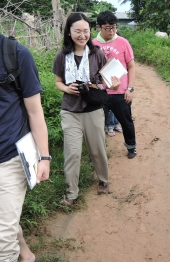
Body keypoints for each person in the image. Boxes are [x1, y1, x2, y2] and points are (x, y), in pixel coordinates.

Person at [52, 13, 120, 206]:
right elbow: (58, 82)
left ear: (90, 31)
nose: (82, 35)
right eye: (77, 31)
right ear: (69, 32)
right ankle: (71, 193)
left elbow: (104, 79)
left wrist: (112, 85)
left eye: (86, 31)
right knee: (72, 153)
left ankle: (103, 180)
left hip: (93, 109)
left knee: (97, 149)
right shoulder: (62, 55)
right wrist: (66, 88)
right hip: (70, 111)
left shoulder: (97, 53)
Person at [0, 34, 50, 262]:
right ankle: (26, 254)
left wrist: (44, 157)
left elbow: (34, 111)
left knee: (2, 243)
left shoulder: (17, 55)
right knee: (4, 220)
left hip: (9, 158)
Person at [93, 11, 137, 159]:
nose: (111, 31)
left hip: (121, 92)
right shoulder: (93, 45)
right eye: (107, 28)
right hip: (101, 93)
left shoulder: (123, 42)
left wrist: (130, 89)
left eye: (113, 27)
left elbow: (131, 66)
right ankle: (97, 153)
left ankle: (131, 147)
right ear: (99, 27)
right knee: (97, 126)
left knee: (126, 121)